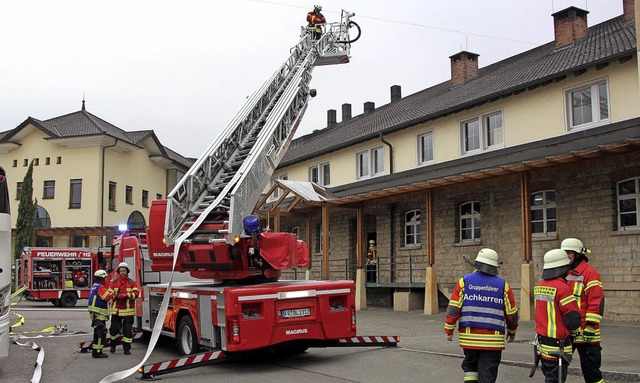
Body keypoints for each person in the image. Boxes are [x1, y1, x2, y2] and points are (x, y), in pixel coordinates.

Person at [444, 248, 519, 383]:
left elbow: (453, 309)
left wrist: (449, 330)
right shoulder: (503, 285)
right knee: (487, 375)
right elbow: (512, 315)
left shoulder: (464, 282)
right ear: (495, 266)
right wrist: (512, 332)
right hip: (493, 342)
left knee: (470, 370)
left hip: (469, 339)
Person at [534, 249, 582, 383]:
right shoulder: (563, 288)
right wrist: (575, 333)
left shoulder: (540, 286)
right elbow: (573, 319)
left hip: (543, 346)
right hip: (558, 348)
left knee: (549, 377)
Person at [561, 238, 605, 383]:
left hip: (587, 333)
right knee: (558, 368)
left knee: (591, 371)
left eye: (569, 252)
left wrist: (591, 326)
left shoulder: (590, 273)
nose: (566, 255)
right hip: (569, 331)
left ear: (577, 254)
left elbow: (596, 301)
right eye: (564, 252)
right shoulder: (563, 272)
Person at [108, 262, 140, 355]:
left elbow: (136, 293)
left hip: (128, 312)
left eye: (124, 271)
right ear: (118, 271)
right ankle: (112, 346)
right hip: (116, 311)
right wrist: (116, 296)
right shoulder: (113, 282)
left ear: (127, 271)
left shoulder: (132, 282)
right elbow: (109, 294)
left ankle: (127, 349)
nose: (122, 272)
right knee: (113, 330)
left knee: (127, 332)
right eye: (121, 271)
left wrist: (127, 295)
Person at [88, 269, 113, 359]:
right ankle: (98, 352)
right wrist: (113, 293)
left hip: (95, 314)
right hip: (99, 314)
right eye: (105, 278)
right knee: (101, 333)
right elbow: (107, 297)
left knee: (97, 333)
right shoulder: (100, 287)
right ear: (102, 278)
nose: (106, 280)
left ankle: (96, 351)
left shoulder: (95, 286)